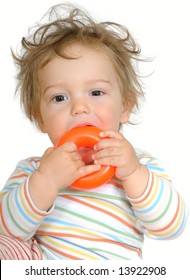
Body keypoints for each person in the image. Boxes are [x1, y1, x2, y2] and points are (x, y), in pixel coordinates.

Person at [0, 3, 187, 260]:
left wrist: (132, 173)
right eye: (59, 97)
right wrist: (47, 180)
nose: (79, 108)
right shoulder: (33, 170)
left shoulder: (139, 166)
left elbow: (170, 227)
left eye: (96, 93)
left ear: (125, 107)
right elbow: (8, 229)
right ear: (39, 118)